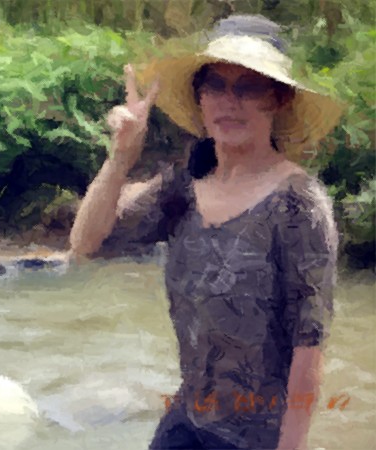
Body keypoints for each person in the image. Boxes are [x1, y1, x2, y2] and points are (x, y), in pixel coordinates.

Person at [68, 14, 343, 450]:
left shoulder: (298, 205)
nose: (228, 102)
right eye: (215, 85)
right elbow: (85, 244)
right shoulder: (182, 187)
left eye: (248, 87)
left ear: (278, 100)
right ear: (199, 98)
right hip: (188, 421)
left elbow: (309, 344)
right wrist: (120, 158)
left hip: (257, 437)